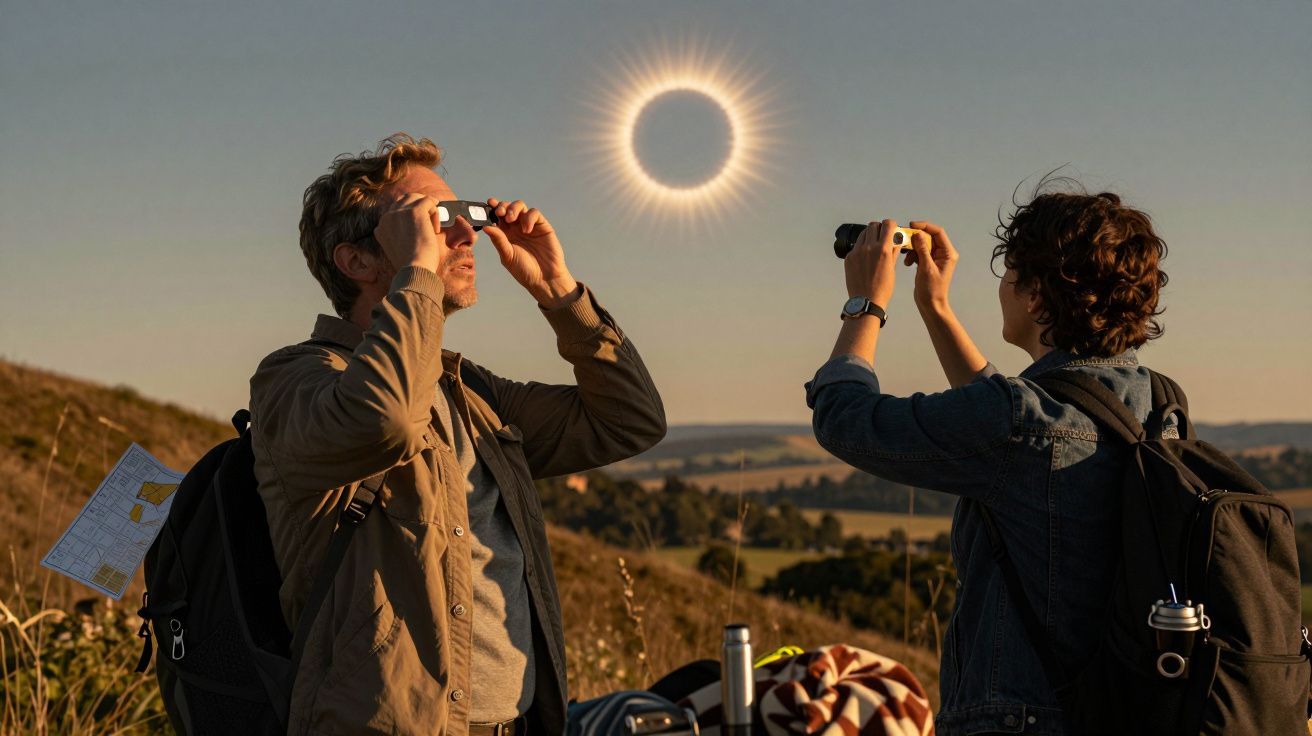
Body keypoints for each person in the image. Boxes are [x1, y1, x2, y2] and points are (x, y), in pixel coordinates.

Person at [249, 133, 667, 735]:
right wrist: (417, 273)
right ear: (359, 261)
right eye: (434, 221)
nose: (466, 236)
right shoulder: (297, 380)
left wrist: (559, 291)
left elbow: (629, 421)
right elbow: (384, 421)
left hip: (515, 723)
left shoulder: (470, 393)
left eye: (465, 216)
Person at [805, 181, 1170, 735]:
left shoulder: (1020, 424)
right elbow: (1010, 426)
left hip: (1022, 719)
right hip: (1125, 710)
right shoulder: (1158, 404)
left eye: (1010, 272)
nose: (1002, 286)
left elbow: (844, 419)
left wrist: (867, 304)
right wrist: (935, 307)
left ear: (1038, 294)